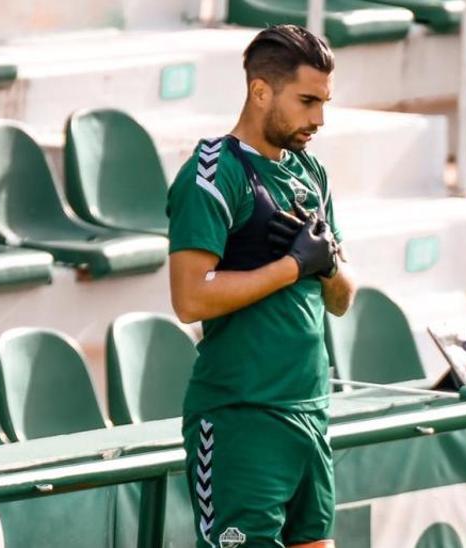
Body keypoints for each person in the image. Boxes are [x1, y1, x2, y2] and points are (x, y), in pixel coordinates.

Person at [165, 24, 355, 548]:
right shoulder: (214, 173)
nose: (319, 118)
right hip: (242, 417)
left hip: (310, 410)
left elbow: (342, 300)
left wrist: (326, 266)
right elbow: (190, 298)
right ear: (260, 90)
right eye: (308, 101)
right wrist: (293, 266)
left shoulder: (311, 174)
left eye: (325, 103)